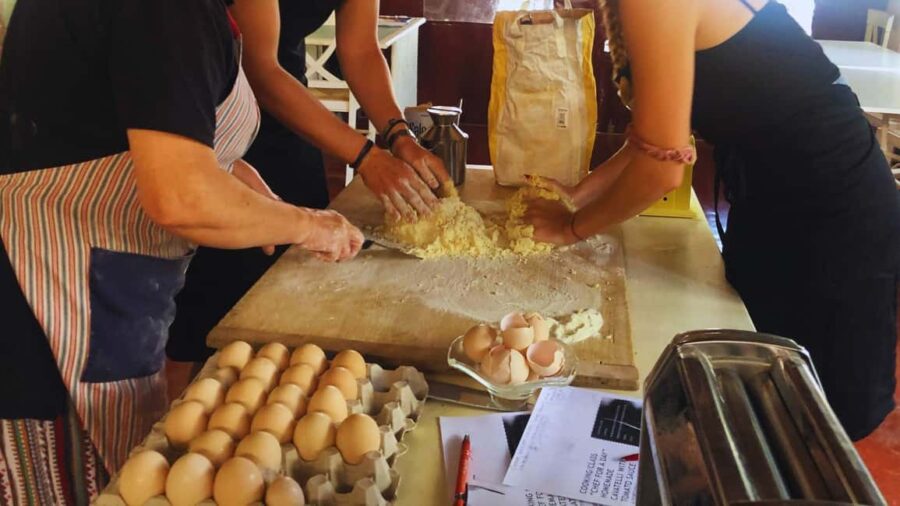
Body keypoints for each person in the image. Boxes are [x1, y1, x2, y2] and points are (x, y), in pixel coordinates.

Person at [0, 0, 362, 500]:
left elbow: (121, 124)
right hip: (50, 302)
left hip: (104, 285)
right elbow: (178, 194)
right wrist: (308, 225)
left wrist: (233, 176)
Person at [525, 0, 900, 440]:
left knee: (815, 418)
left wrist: (571, 228)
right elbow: (659, 139)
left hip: (830, 216)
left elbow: (661, 170)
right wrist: (579, 194)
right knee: (764, 398)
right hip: (776, 202)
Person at [167, 0, 450, 364]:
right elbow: (260, 69)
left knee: (303, 285)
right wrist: (367, 158)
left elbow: (361, 49)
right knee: (218, 315)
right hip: (213, 112)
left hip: (294, 117)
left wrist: (400, 137)